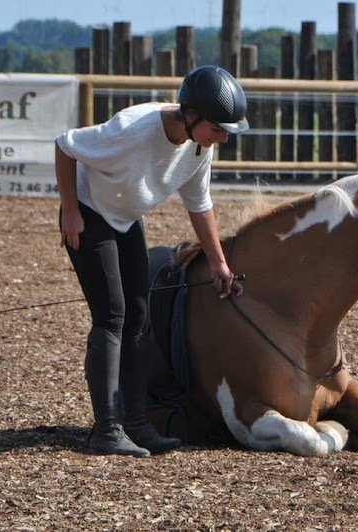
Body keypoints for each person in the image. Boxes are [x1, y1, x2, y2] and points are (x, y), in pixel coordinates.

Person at [55, 66, 247, 457]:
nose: (223, 138)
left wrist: (219, 263)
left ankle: (137, 423)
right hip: (89, 214)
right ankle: (105, 430)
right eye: (217, 128)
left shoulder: (199, 147)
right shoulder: (133, 129)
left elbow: (199, 204)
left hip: (126, 218)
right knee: (112, 316)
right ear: (190, 114)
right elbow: (65, 145)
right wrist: (70, 209)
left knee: (138, 316)